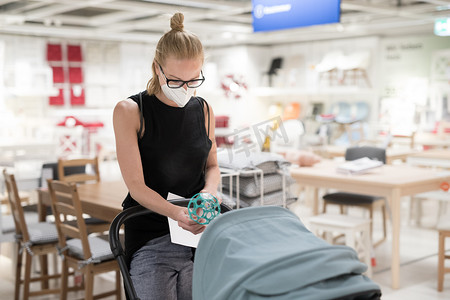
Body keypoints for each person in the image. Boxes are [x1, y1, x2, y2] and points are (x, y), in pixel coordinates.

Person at [113, 12, 220, 300]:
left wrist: (210, 195)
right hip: (152, 235)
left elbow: (212, 167)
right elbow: (136, 186)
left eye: (193, 80)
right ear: (157, 69)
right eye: (175, 80)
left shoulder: (205, 109)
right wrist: (176, 213)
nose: (185, 89)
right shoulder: (130, 111)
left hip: (200, 236)